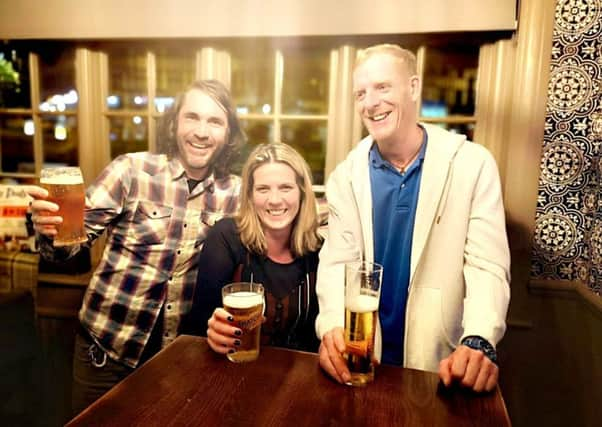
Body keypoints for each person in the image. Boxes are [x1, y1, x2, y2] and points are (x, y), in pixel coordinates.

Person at [27, 79, 244, 414]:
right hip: (106, 350)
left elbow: (290, 218)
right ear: (174, 124)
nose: (202, 131)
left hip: (177, 358)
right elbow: (67, 246)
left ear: (228, 134)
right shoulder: (132, 170)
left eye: (215, 122)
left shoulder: (236, 193)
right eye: (192, 117)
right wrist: (50, 230)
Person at [316, 44, 510, 392]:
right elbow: (336, 264)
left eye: (382, 87)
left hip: (442, 364)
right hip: (363, 360)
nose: (370, 102)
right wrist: (331, 324)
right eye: (361, 93)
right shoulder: (345, 177)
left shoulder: (473, 164)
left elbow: (486, 267)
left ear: (414, 87)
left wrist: (480, 337)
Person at [185, 142, 322, 354]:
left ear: (302, 193)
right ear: (249, 195)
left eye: (285, 187)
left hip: (297, 376)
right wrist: (212, 332)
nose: (274, 200)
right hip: (234, 369)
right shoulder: (226, 236)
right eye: (263, 189)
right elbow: (198, 327)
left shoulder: (319, 251)